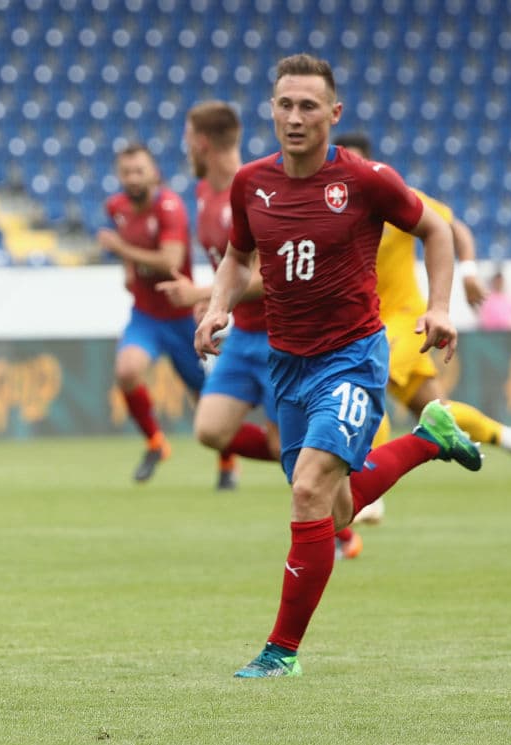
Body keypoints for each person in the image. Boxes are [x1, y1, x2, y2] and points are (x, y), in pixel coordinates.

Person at [194, 54, 482, 678]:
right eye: (285, 105)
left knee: (306, 493)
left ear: (334, 113)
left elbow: (436, 229)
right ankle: (429, 440)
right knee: (337, 508)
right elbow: (238, 258)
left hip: (353, 358)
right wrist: (217, 307)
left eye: (308, 106)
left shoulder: (366, 180)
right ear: (270, 110)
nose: (295, 117)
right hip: (287, 364)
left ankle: (281, 652)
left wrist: (439, 307)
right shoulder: (251, 184)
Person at [156, 101, 363, 558]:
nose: (184, 146)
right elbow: (226, 264)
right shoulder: (203, 193)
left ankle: (340, 520)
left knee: (285, 450)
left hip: (278, 337)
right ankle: (324, 466)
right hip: (241, 335)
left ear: (202, 142)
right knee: (210, 429)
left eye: (188, 137)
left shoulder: (255, 189)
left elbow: (276, 275)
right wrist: (213, 304)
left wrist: (203, 297)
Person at [334, 133, 511, 506]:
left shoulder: (392, 195)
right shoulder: (333, 210)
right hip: (365, 322)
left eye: (356, 162)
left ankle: (369, 487)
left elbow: (454, 229)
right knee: (436, 411)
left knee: (367, 379)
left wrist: (468, 272)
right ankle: (509, 436)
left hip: (405, 318)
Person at [96, 143, 234, 486]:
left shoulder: (170, 208)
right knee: (127, 371)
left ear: (154, 173)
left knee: (204, 397)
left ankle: (228, 463)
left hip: (180, 317)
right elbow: (131, 244)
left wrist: (120, 250)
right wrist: (128, 269)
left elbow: (171, 260)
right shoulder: (116, 207)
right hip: (145, 316)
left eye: (139, 170)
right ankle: (156, 443)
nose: (132, 178)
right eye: (126, 172)